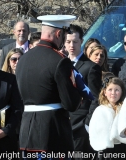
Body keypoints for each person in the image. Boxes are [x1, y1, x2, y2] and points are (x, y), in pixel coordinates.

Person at [15, 15, 82, 159]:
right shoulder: (60, 60)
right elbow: (71, 103)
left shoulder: (23, 59)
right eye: (64, 36)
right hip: (53, 135)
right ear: (59, 34)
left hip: (27, 134)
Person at [64, 24, 102, 159]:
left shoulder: (91, 67)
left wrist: (87, 123)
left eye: (75, 41)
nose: (71, 45)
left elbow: (96, 98)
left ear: (81, 41)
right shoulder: (60, 63)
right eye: (68, 41)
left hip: (80, 127)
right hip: (63, 124)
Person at [89, 75, 126, 160]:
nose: (113, 93)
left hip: (122, 149)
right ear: (104, 92)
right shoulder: (100, 110)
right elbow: (94, 131)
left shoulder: (125, 109)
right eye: (110, 90)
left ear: (121, 92)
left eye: (117, 90)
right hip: (105, 151)